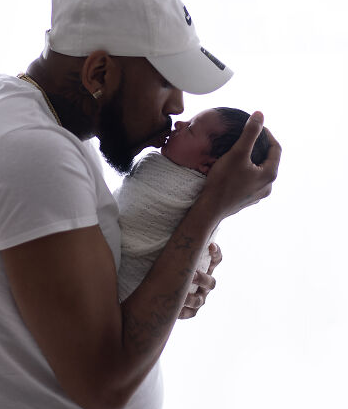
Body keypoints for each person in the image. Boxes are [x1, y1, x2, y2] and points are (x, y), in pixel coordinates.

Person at [0, 0, 281, 409]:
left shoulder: (27, 125)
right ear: (99, 71)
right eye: (166, 81)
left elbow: (94, 304)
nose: (178, 106)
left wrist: (172, 278)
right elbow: (106, 385)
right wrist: (209, 210)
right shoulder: (35, 155)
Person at [115, 107, 271, 302]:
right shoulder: (214, 202)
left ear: (208, 165)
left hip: (126, 292)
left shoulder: (158, 171)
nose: (178, 123)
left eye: (190, 129)